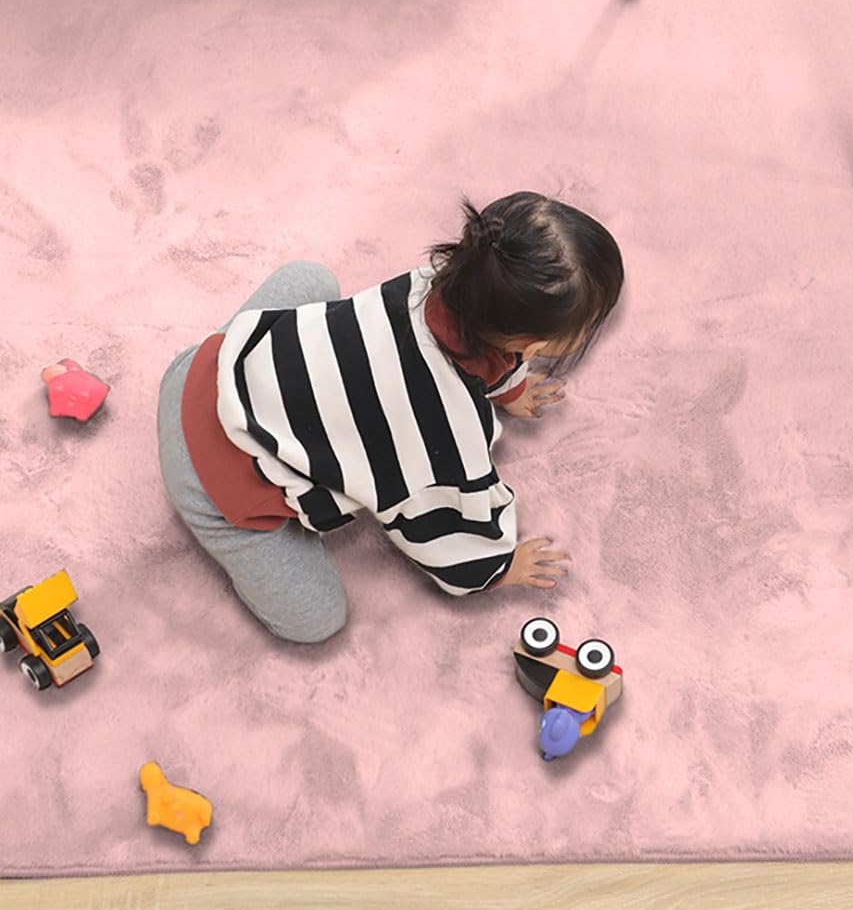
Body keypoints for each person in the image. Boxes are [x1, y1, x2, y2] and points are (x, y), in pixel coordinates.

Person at [157, 191, 625, 643]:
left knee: (310, 278)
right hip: (217, 480)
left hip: (209, 365)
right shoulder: (440, 431)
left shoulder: (440, 283)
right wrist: (495, 567)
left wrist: (510, 388)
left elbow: (492, 354)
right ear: (538, 345)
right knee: (318, 621)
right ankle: (215, 520)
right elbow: (438, 524)